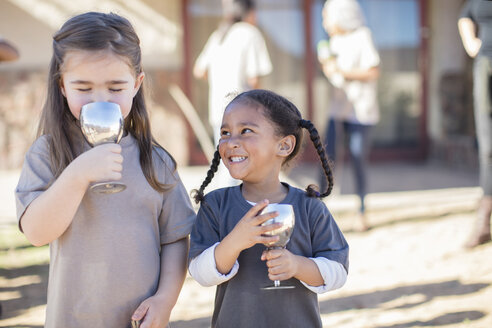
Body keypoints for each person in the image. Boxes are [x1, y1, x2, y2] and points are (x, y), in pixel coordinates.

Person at [14, 12, 196, 328]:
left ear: (137, 85)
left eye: (115, 88)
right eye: (83, 88)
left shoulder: (155, 161)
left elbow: (176, 239)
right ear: (62, 86)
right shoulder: (48, 153)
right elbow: (36, 233)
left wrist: (165, 300)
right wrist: (77, 174)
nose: (101, 100)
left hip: (139, 321)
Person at [188, 89, 349, 327]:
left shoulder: (310, 207)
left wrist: (297, 265)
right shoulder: (215, 205)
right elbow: (200, 274)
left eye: (246, 131)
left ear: (284, 145)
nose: (231, 142)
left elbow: (338, 271)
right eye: (225, 132)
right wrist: (235, 241)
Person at [193, 0, 272, 146]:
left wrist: (219, 80)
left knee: (225, 160)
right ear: (250, 13)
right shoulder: (250, 33)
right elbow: (253, 79)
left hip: (219, 110)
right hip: (243, 111)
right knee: (243, 162)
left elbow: (198, 71)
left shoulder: (219, 35)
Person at [458, 0, 492, 248]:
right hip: (485, 65)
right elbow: (465, 15)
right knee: (489, 147)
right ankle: (484, 221)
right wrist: (471, 43)